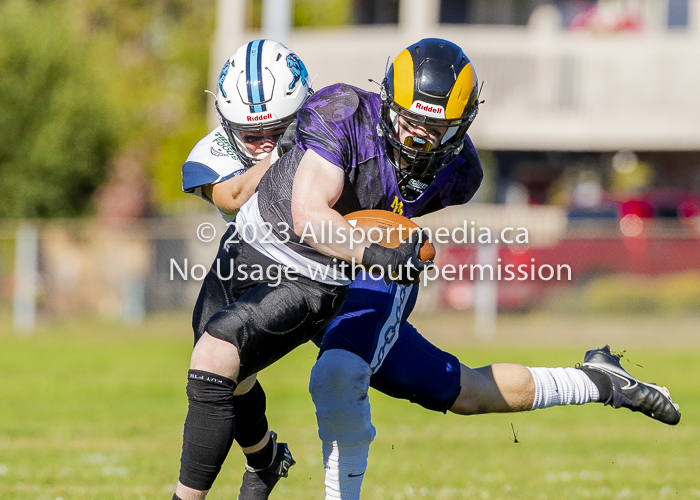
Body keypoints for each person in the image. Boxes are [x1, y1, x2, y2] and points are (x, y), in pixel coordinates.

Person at [302, 39, 682, 500]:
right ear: (387, 102)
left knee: (338, 373)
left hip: (370, 274)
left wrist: (383, 250)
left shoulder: (459, 173)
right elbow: (286, 201)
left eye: (434, 129)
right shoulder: (341, 114)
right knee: (469, 393)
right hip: (305, 261)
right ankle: (600, 380)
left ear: (460, 129)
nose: (417, 140)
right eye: (410, 122)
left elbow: (396, 219)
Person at [178, 39, 313, 500]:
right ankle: (266, 463)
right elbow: (230, 198)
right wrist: (279, 158)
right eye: (252, 135)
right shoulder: (215, 148)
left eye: (278, 131)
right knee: (217, 372)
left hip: (312, 265)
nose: (264, 144)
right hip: (246, 255)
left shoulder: (328, 131)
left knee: (221, 366)